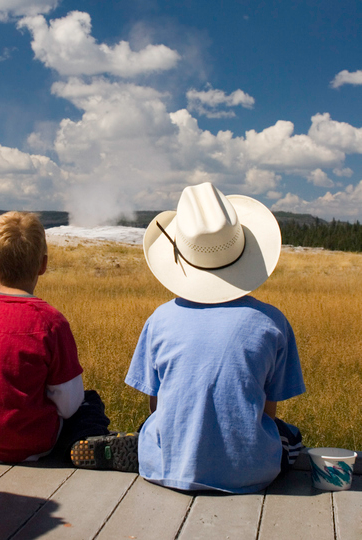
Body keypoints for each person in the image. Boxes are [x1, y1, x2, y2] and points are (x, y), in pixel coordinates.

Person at [71, 183, 305, 493]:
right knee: (293, 438)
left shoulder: (160, 320)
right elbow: (267, 410)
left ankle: (143, 448)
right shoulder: (271, 322)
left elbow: (156, 406)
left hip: (166, 467)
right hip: (251, 473)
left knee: (150, 426)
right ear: (244, 247)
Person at [0, 211, 110, 464]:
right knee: (89, 404)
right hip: (29, 445)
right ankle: (90, 443)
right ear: (43, 264)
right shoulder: (51, 322)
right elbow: (69, 404)